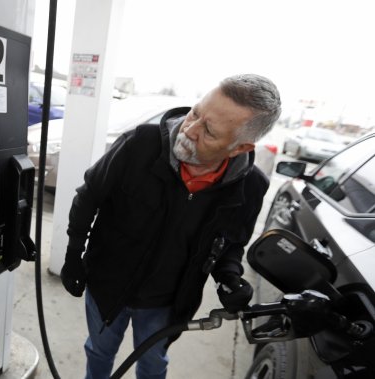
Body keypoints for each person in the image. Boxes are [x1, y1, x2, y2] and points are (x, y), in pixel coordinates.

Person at [60, 74, 282, 379]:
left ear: (239, 148)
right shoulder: (138, 144)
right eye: (195, 112)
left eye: (209, 131)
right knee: (99, 351)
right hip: (107, 285)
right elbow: (89, 197)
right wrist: (74, 253)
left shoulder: (250, 187)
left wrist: (229, 277)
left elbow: (231, 243)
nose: (188, 129)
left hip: (166, 304)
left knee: (152, 364)